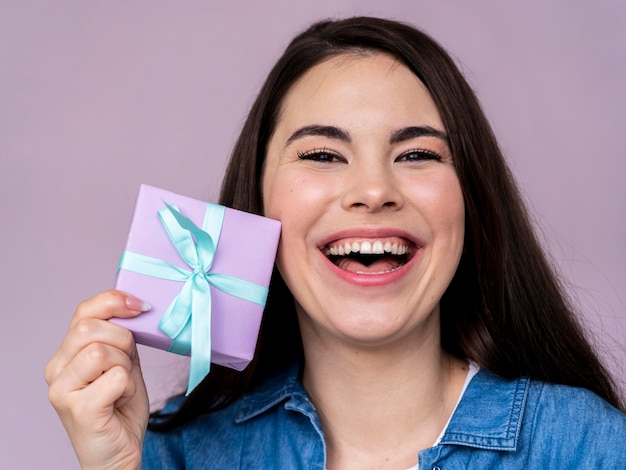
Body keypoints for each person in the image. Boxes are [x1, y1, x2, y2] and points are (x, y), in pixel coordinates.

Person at [45, 16, 626, 469]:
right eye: (322, 155)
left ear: (471, 199)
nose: (373, 190)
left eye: (418, 154)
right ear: (259, 204)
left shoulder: (587, 447)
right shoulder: (171, 455)